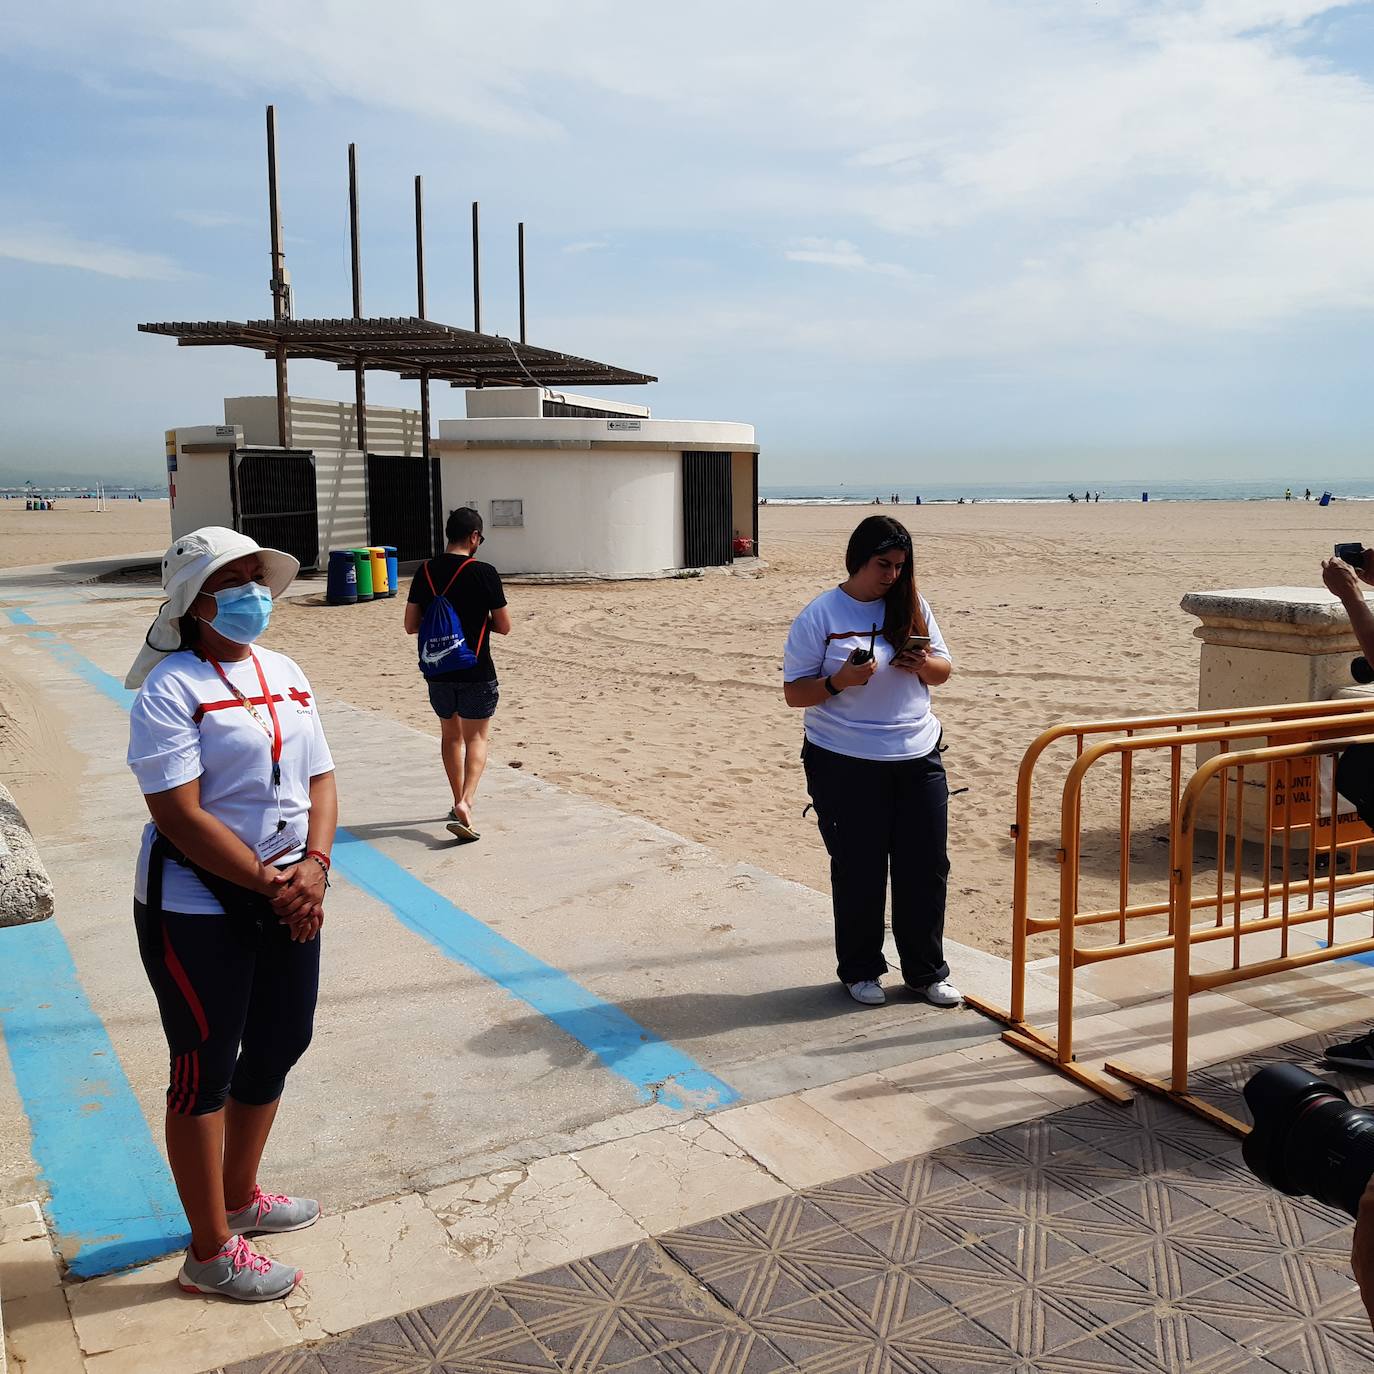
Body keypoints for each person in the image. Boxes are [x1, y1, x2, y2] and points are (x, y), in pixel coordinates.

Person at [124, 526, 336, 1301]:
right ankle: (208, 1252)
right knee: (202, 1071)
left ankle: (241, 1199)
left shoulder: (284, 669)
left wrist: (314, 867)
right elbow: (178, 815)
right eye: (235, 579)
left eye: (258, 576)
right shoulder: (170, 689)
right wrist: (273, 884)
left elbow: (320, 778)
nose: (255, 592)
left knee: (280, 1040)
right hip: (196, 907)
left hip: (289, 890)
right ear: (195, 602)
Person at [782, 515, 960, 1009]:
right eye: (883, 564)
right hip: (844, 759)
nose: (892, 575)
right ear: (858, 559)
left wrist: (922, 663)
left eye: (901, 566)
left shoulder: (914, 606)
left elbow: (944, 670)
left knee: (925, 867)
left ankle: (926, 973)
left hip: (918, 753)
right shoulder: (820, 614)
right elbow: (794, 692)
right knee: (859, 868)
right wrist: (840, 681)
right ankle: (861, 971)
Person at [405, 506, 512, 841]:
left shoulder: (425, 571)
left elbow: (410, 625)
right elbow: (505, 626)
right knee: (476, 737)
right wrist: (479, 623)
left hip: (438, 670)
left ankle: (455, 802)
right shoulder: (485, 572)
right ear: (475, 537)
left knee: (450, 736)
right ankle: (467, 800)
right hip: (476, 668)